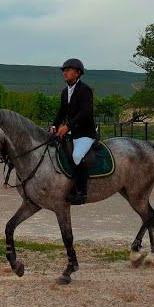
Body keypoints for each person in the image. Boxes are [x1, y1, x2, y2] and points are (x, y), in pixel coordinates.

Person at [50, 58, 98, 205]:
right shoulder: (65, 92)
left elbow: (85, 112)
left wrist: (67, 126)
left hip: (86, 133)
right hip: (72, 132)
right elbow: (62, 111)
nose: (65, 72)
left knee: (77, 156)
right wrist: (54, 125)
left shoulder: (85, 90)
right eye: (64, 70)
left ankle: (81, 192)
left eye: (68, 70)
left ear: (77, 73)